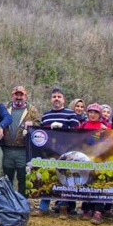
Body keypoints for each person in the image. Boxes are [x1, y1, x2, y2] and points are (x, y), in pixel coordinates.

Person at [33, 88, 80, 218]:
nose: (56, 99)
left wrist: (63, 128)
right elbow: (41, 134)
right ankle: (43, 207)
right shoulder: (46, 115)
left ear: (64, 99)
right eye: (54, 97)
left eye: (59, 96)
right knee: (47, 179)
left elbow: (77, 132)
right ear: (51, 99)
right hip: (49, 153)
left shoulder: (71, 114)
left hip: (67, 152)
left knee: (65, 179)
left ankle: (63, 208)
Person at [2, 85, 39, 196]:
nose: (18, 97)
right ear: (12, 95)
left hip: (23, 150)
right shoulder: (4, 107)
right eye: (16, 95)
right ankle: (8, 201)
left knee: (22, 178)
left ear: (25, 96)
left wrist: (32, 124)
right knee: (7, 177)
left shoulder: (31, 110)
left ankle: (22, 202)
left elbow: (39, 125)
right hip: (7, 149)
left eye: (21, 95)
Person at [79, 103, 110, 224]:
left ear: (100, 114)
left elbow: (110, 140)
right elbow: (78, 138)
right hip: (86, 157)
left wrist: (104, 132)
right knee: (86, 183)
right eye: (90, 112)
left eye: (96, 112)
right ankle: (86, 209)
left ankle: (98, 211)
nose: (93, 115)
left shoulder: (105, 125)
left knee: (98, 184)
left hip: (100, 159)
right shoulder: (84, 125)